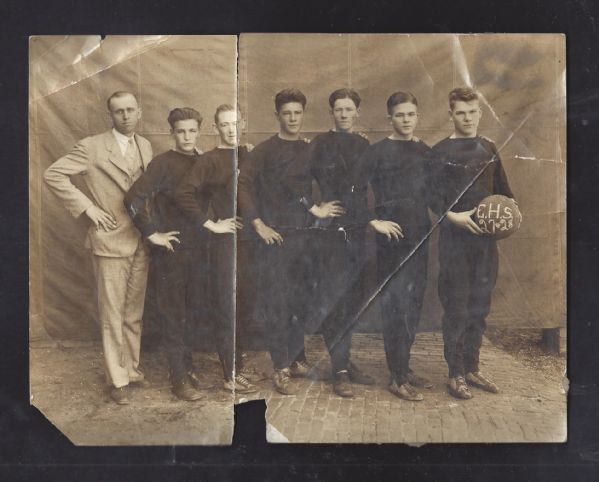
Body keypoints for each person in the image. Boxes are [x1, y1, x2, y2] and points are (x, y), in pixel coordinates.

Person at [44, 91, 153, 405]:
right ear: (111, 115)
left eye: (131, 110)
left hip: (140, 240)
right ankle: (116, 380)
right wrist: (88, 208)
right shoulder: (91, 147)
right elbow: (53, 174)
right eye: (119, 111)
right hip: (109, 242)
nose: (126, 116)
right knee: (112, 314)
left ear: (140, 112)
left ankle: (131, 370)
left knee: (133, 314)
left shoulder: (145, 145)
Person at [428, 87, 515, 400]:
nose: (466, 117)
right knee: (457, 306)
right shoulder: (438, 151)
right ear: (450, 114)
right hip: (455, 243)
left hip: (485, 245)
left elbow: (505, 192)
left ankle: (472, 368)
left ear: (480, 112)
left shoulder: (489, 147)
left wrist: (507, 216)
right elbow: (432, 197)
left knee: (480, 305)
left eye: (472, 111)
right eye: (460, 112)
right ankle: (454, 374)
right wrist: (454, 217)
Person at [124, 107, 214, 402]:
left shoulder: (204, 161)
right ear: (171, 133)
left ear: (199, 131)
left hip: (200, 249)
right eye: (181, 131)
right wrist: (152, 233)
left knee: (194, 311)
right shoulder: (162, 164)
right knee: (174, 314)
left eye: (192, 130)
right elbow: (133, 198)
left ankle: (187, 368)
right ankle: (178, 378)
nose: (187, 136)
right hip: (172, 251)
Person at [354, 91, 434, 401]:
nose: (406, 120)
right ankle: (396, 377)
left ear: (418, 116)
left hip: (420, 236)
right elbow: (355, 192)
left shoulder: (426, 152)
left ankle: (404, 367)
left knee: (413, 305)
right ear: (390, 118)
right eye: (400, 115)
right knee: (396, 305)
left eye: (411, 114)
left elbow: (438, 192)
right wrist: (373, 222)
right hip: (391, 240)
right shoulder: (376, 153)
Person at [174, 104, 258, 394]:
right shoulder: (208, 160)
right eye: (225, 124)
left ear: (243, 122)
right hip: (224, 244)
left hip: (251, 241)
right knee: (227, 307)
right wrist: (211, 223)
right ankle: (229, 375)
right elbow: (183, 193)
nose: (231, 129)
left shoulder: (248, 153)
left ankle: (237, 363)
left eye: (236, 123)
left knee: (245, 304)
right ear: (215, 128)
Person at [297, 88, 375, 398]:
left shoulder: (364, 145)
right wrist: (313, 207)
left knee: (353, 299)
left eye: (349, 109)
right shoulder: (318, 144)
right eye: (338, 109)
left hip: (357, 230)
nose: (343, 114)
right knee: (336, 299)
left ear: (357, 112)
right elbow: (294, 179)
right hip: (329, 233)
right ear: (331, 112)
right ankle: (339, 369)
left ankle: (344, 360)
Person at [237, 88, 313, 395]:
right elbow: (242, 185)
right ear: (277, 116)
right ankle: (280, 367)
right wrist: (258, 224)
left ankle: (296, 358)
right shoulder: (265, 150)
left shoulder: (309, 149)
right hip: (274, 239)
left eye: (297, 113)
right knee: (277, 302)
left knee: (299, 300)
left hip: (303, 237)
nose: (292, 118)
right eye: (287, 113)